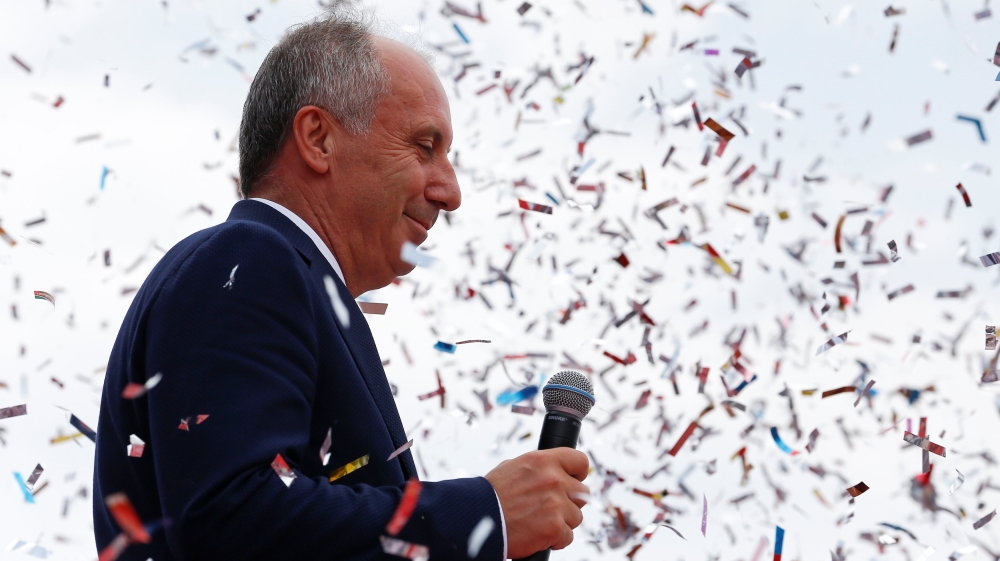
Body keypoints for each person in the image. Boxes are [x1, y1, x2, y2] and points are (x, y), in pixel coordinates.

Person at [93, 7, 589, 560]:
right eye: (425, 146)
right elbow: (232, 520)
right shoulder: (248, 259)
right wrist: (485, 515)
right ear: (318, 138)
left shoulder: (293, 284)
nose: (450, 191)